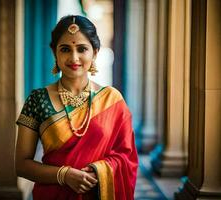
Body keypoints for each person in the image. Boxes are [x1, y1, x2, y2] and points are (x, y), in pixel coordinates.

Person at [15, 15, 138, 200]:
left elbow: (127, 159)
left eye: (82, 49)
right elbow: (21, 165)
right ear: (54, 52)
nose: (74, 58)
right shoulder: (38, 99)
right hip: (52, 194)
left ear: (95, 53)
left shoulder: (112, 100)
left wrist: (99, 172)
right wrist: (65, 175)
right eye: (65, 49)